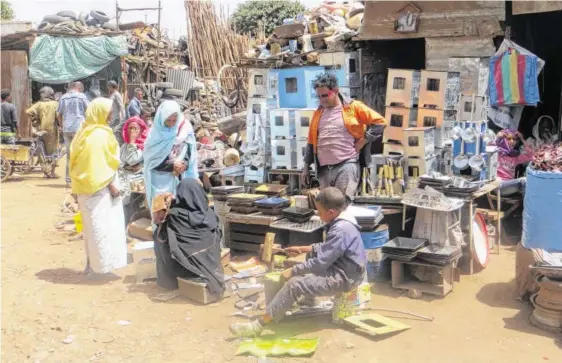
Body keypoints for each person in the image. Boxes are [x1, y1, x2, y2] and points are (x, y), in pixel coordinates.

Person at [229, 187, 366, 337]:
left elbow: (321, 262)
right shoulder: (344, 222)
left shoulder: (340, 229)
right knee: (308, 260)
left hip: (346, 278)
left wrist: (293, 271)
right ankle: (308, 302)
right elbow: (328, 247)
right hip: (346, 270)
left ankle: (258, 325)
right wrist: (303, 248)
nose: (319, 216)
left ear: (331, 212)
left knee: (295, 284)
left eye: (320, 212)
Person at [302, 73, 387, 200]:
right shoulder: (318, 113)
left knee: (343, 204)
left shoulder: (353, 107)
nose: (322, 99)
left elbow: (380, 122)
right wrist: (306, 167)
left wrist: (363, 140)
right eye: (319, 96)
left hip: (346, 165)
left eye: (325, 95)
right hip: (324, 170)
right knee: (328, 206)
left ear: (335, 91)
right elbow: (311, 142)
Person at [69, 97, 127, 275]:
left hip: (86, 188)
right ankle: (101, 267)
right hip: (100, 188)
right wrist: (111, 185)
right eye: (108, 113)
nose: (110, 116)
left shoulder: (84, 131)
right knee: (101, 228)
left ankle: (92, 265)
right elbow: (98, 165)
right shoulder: (99, 135)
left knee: (91, 228)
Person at [151, 178, 225, 298]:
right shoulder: (210, 214)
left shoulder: (175, 215)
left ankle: (168, 282)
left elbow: (158, 227)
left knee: (160, 235)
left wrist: (165, 207)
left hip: (186, 270)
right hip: (211, 266)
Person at [143, 100, 198, 212]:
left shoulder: (180, 132)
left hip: (176, 179)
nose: (172, 123)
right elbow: (150, 162)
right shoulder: (154, 136)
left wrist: (183, 165)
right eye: (168, 120)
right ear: (161, 119)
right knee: (160, 214)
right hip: (158, 182)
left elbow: (188, 150)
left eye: (174, 120)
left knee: (176, 213)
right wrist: (172, 165)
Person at [57, 81, 89, 185]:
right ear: (79, 88)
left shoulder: (63, 97)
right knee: (80, 154)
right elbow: (89, 111)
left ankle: (68, 180)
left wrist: (61, 126)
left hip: (67, 129)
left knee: (69, 156)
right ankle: (79, 179)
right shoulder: (81, 96)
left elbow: (58, 114)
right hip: (79, 128)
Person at [495, 129, 534, 195]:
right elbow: (488, 147)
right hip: (498, 186)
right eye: (508, 139)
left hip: (510, 185)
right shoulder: (496, 153)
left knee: (529, 180)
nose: (512, 141)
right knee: (524, 181)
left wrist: (522, 139)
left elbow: (531, 156)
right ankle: (527, 205)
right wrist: (498, 137)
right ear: (503, 140)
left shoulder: (515, 157)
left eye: (514, 139)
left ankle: (527, 204)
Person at [26, 87, 59, 155]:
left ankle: (42, 164)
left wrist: (36, 121)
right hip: (52, 130)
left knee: (41, 148)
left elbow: (28, 112)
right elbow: (59, 116)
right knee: (51, 150)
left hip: (40, 129)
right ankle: (51, 163)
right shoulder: (55, 104)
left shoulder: (38, 104)